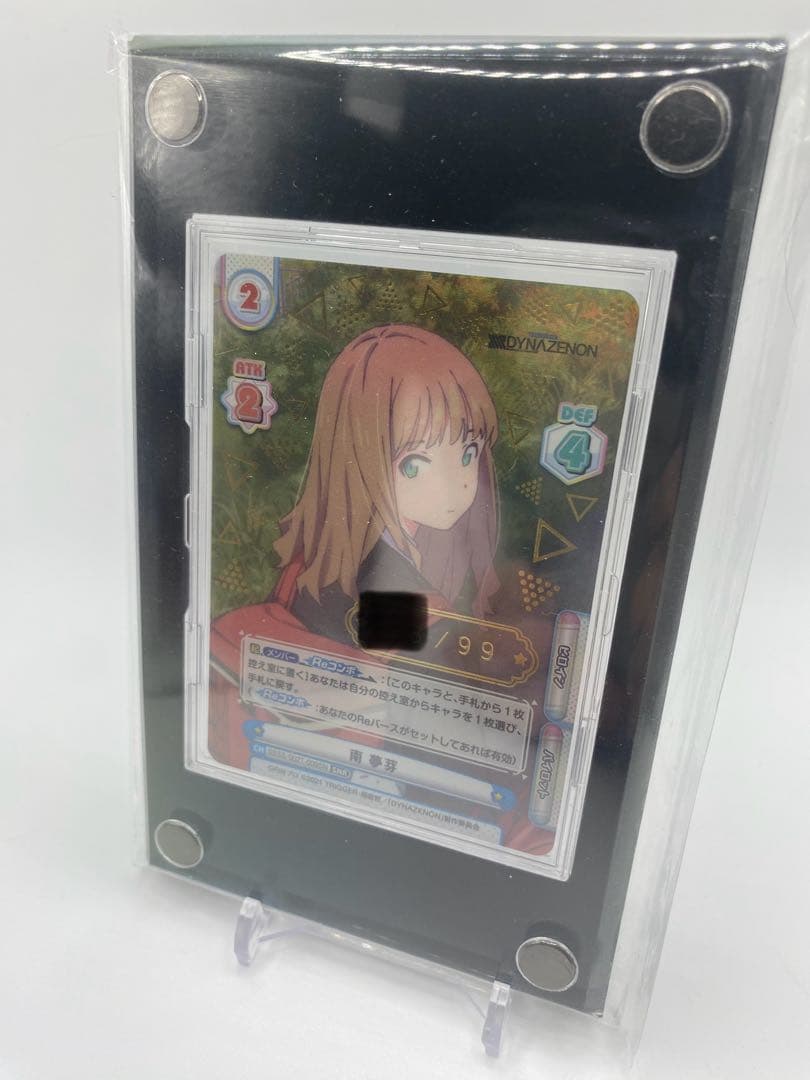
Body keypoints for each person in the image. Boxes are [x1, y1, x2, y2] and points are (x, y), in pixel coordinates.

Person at [272, 324, 500, 645]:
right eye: (413, 465)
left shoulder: (312, 556)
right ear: (357, 457)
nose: (453, 484)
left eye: (469, 453)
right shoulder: (397, 594)